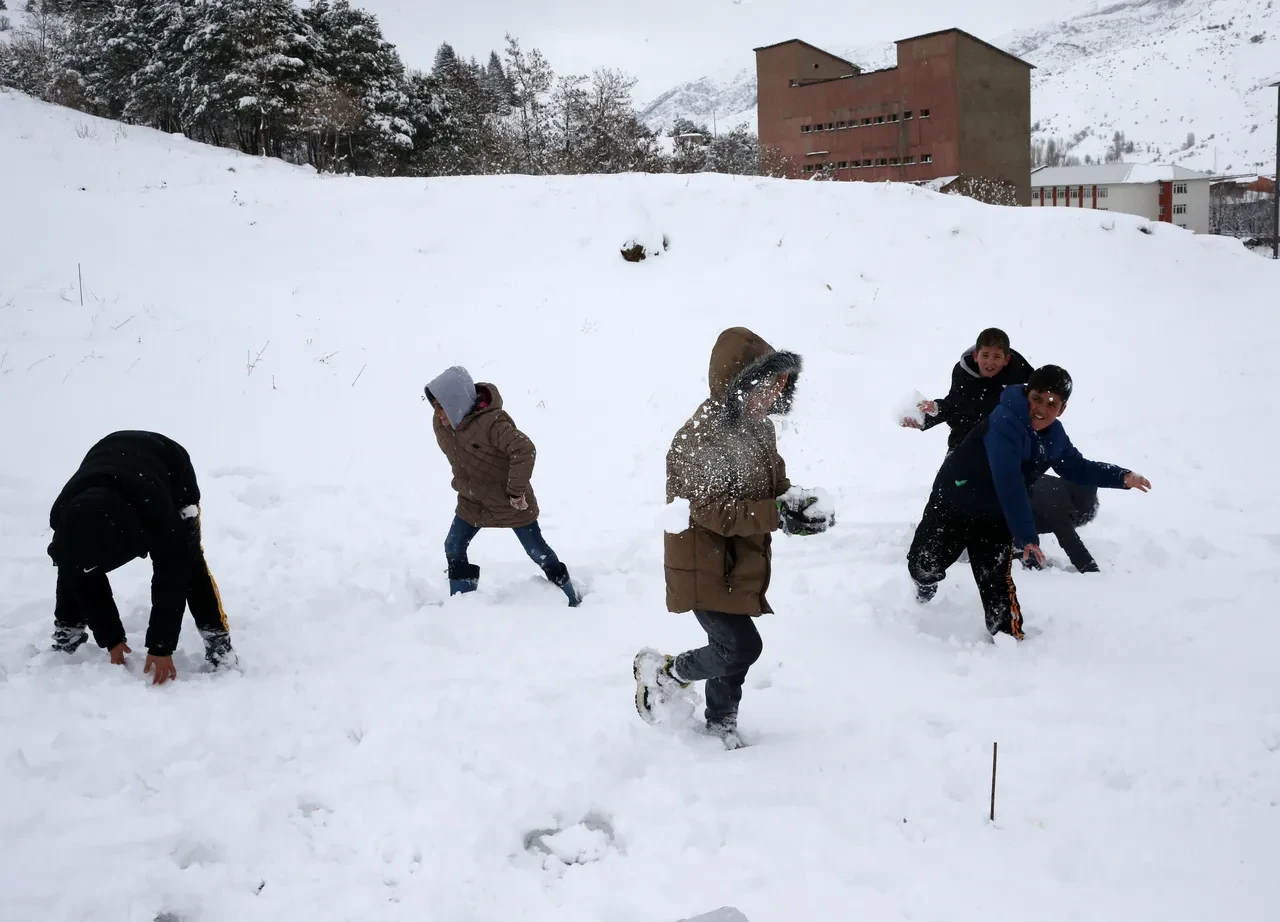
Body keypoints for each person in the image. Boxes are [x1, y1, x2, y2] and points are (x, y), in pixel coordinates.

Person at [633, 327, 834, 748]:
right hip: (702, 563)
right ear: (740, 385)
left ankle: (720, 722)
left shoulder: (759, 429)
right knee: (739, 647)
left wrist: (795, 504)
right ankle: (667, 674)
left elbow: (772, 485)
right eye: (769, 384)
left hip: (735, 562)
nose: (776, 394)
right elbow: (711, 511)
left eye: (782, 384)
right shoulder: (699, 438)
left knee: (733, 651)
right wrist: (776, 515)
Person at [906, 366, 1150, 639]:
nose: (1042, 409)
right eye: (1037, 398)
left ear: (1062, 408)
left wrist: (1121, 476)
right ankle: (924, 583)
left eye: (1052, 404)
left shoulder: (1054, 436)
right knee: (923, 564)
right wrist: (1026, 535)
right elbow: (1008, 480)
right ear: (1026, 394)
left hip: (995, 514)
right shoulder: (1005, 422)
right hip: (955, 501)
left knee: (996, 583)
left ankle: (1009, 643)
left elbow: (1076, 467)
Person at [47, 430, 235, 685]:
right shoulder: (63, 515)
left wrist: (161, 646)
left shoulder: (158, 517)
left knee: (188, 561)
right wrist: (111, 637)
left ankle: (217, 639)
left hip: (170, 470)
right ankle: (68, 630)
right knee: (74, 564)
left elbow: (172, 575)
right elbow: (79, 572)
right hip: (107, 461)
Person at [424, 365, 581, 606]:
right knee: (453, 546)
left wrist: (515, 491)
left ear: (456, 402)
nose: (439, 415)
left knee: (537, 552)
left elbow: (524, 449)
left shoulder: (492, 423)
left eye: (442, 407)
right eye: (435, 408)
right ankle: (462, 605)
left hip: (509, 502)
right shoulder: (442, 425)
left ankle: (570, 596)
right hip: (472, 499)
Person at [902, 327, 1035, 453]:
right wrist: (930, 413)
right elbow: (955, 406)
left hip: (1003, 443)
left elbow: (1040, 398)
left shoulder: (1017, 375)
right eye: (985, 355)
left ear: (1006, 360)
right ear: (976, 355)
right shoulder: (963, 374)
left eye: (996, 357)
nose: (990, 362)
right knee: (951, 475)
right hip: (964, 439)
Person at [1026, 474, 1101, 573]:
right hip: (1001, 523)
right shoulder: (1058, 503)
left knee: (1030, 562)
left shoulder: (1054, 487)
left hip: (1006, 518)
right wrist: (1092, 571)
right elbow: (1070, 541)